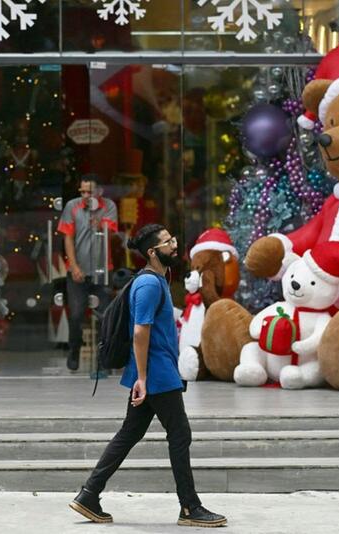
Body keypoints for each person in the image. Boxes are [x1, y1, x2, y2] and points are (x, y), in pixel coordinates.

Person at [69, 224, 226, 528]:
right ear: (153, 252)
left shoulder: (158, 280)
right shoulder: (150, 285)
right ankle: (190, 507)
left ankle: (89, 494)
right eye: (169, 242)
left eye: (173, 238)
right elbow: (141, 332)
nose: (175, 245)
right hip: (155, 374)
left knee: (130, 433)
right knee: (180, 434)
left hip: (155, 371)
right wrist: (142, 377)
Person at [57, 174, 118, 371]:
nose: (85, 196)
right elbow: (68, 238)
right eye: (82, 191)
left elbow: (112, 233)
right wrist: (73, 266)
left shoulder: (108, 206)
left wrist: (99, 223)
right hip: (78, 270)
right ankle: (74, 350)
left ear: (99, 192)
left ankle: (103, 357)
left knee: (105, 316)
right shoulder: (72, 207)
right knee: (75, 314)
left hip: (102, 270)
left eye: (89, 192)